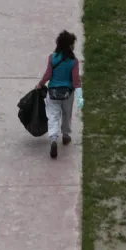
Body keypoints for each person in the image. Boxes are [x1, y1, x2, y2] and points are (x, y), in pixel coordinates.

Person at [37, 30, 82, 159]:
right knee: (67, 115)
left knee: (53, 116)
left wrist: (40, 84)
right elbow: (76, 81)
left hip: (53, 93)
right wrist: (80, 95)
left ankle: (53, 139)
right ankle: (66, 136)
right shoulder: (74, 61)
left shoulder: (52, 58)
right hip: (68, 93)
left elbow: (48, 75)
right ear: (70, 46)